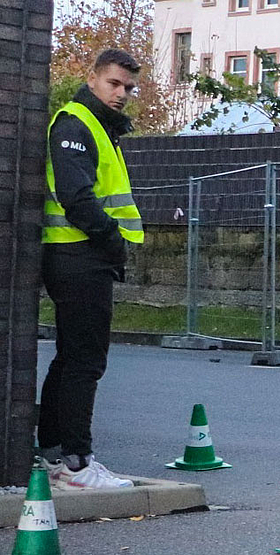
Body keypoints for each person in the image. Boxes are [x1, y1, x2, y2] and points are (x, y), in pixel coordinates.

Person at [37, 49, 144, 489]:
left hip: (79, 257)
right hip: (78, 256)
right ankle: (76, 464)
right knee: (85, 361)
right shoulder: (76, 124)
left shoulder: (98, 126)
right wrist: (112, 240)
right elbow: (76, 196)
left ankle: (54, 453)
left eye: (128, 88)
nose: (121, 94)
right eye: (114, 84)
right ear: (94, 79)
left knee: (70, 359)